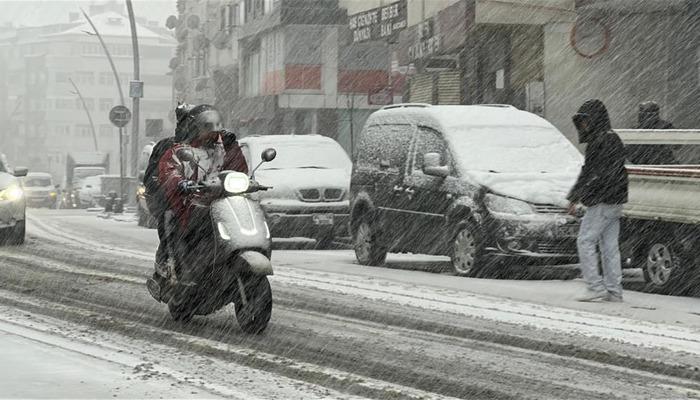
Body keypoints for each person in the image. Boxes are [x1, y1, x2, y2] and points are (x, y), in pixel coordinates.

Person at [567, 99, 629, 302]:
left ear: (594, 120)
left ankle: (594, 286)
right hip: (615, 200)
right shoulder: (613, 139)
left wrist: (579, 196)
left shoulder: (599, 141)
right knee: (609, 246)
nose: (583, 126)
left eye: (585, 121)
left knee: (585, 240)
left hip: (601, 200)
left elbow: (592, 173)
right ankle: (614, 290)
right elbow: (611, 172)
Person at [158, 104, 248, 240]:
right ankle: (171, 255)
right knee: (174, 223)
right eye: (206, 128)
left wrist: (245, 182)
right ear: (195, 128)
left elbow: (239, 169)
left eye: (214, 129)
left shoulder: (228, 147)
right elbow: (170, 172)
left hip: (227, 201)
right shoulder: (180, 151)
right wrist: (182, 183)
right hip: (193, 203)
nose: (211, 134)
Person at [144, 102, 194, 284]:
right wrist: (168, 187)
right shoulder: (166, 147)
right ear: (181, 124)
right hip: (172, 202)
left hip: (203, 203)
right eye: (188, 122)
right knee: (170, 220)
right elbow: (151, 178)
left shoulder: (213, 148)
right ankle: (166, 264)